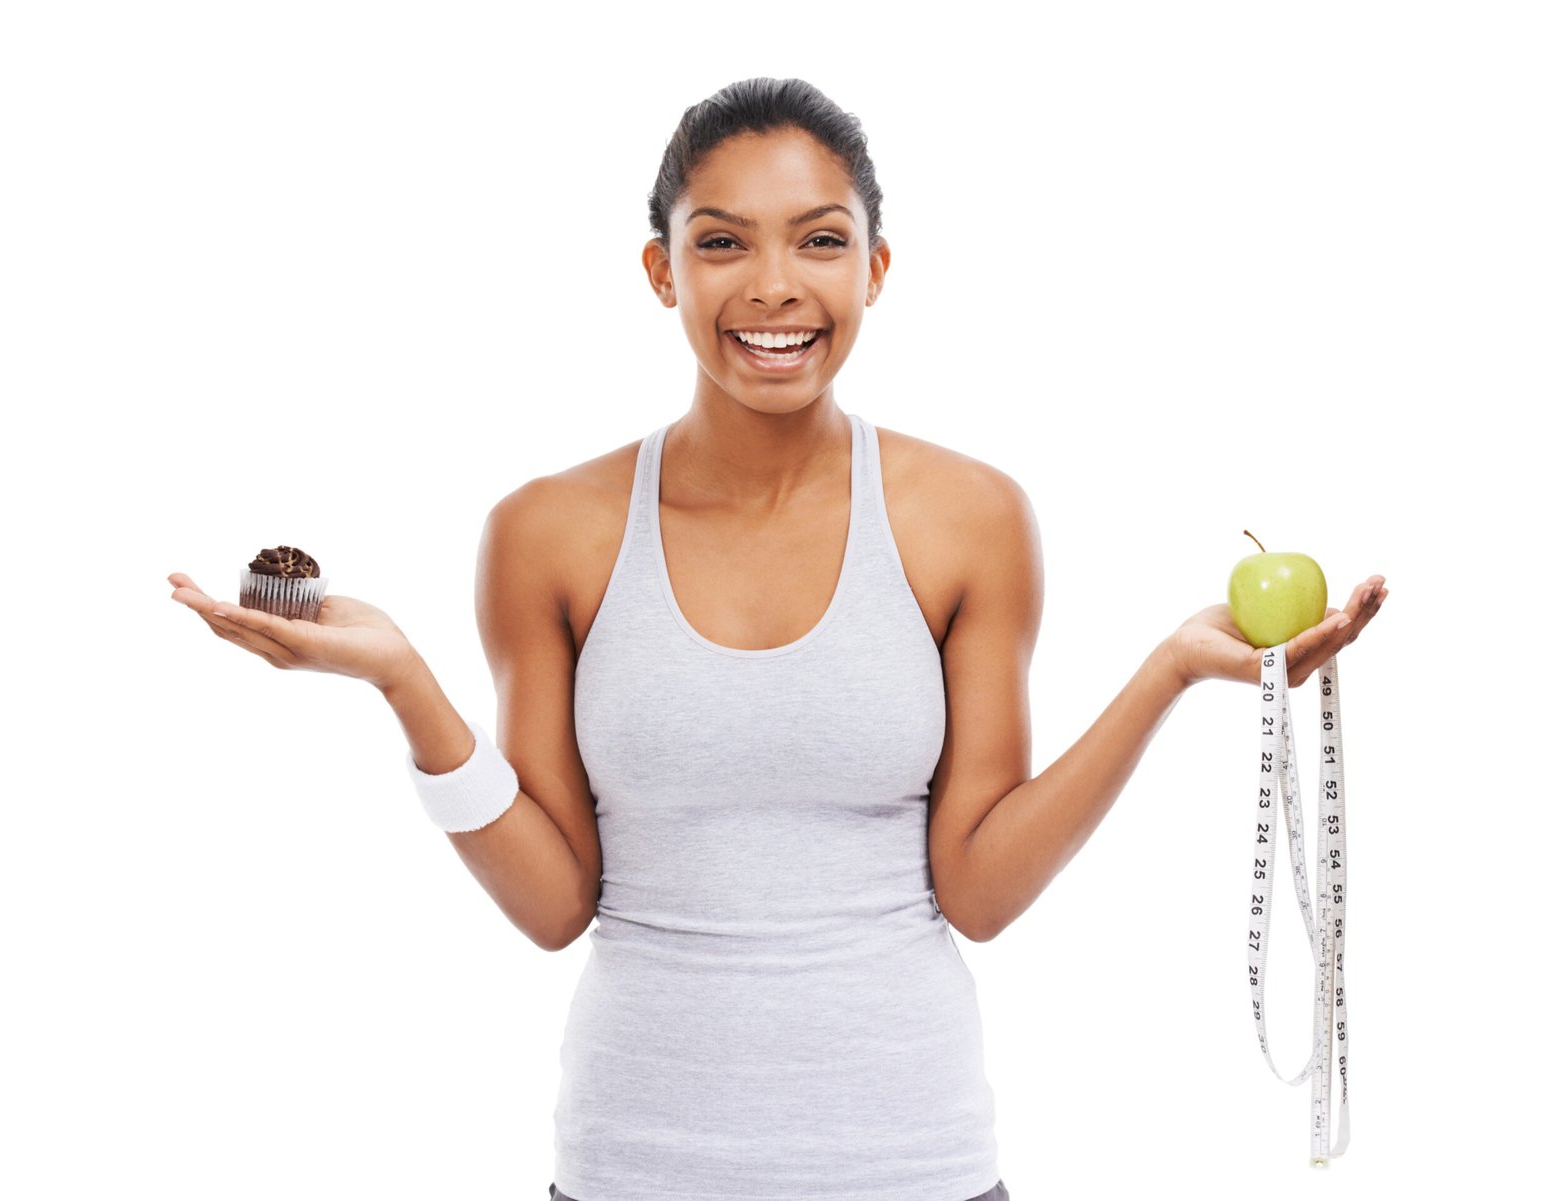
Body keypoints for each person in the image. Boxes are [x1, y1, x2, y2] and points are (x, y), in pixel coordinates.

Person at [167, 77, 1388, 1201]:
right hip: (633, 1163)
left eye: (818, 239)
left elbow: (980, 888)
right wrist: (404, 682)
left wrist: (1169, 667)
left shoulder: (968, 516)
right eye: (720, 242)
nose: (773, 288)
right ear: (660, 270)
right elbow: (553, 905)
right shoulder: (547, 531)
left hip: (912, 1161)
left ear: (876, 265)